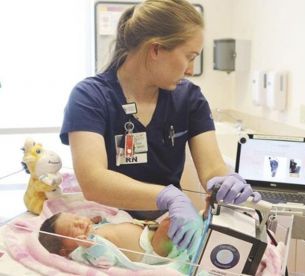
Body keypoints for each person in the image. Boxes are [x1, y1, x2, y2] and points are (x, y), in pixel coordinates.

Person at [60, 0, 260, 253]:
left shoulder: (189, 99)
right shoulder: (90, 97)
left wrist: (226, 182)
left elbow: (212, 168)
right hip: (107, 220)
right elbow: (93, 181)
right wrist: (168, 195)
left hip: (166, 225)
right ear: (155, 49)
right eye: (189, 57)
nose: (190, 69)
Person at [38, 212, 189, 271]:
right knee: (171, 222)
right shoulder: (82, 252)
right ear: (65, 250)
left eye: (77, 218)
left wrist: (101, 221)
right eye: (73, 229)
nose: (80, 222)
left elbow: (110, 229)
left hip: (149, 231)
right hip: (152, 250)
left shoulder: (92, 229)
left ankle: (206, 215)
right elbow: (107, 261)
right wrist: (89, 247)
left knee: (184, 223)